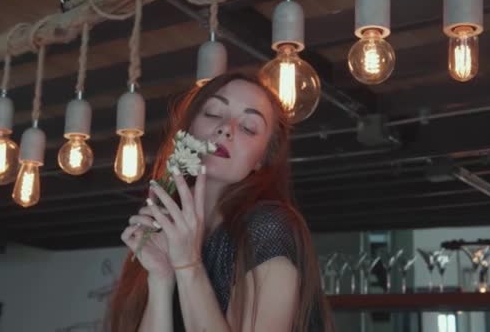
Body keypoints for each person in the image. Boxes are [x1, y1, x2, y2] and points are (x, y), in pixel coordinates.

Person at [107, 73, 335, 332]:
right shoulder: (166, 229)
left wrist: (190, 266)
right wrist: (161, 279)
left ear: (261, 159)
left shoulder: (268, 227)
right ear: (189, 128)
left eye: (248, 127)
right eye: (213, 113)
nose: (226, 128)